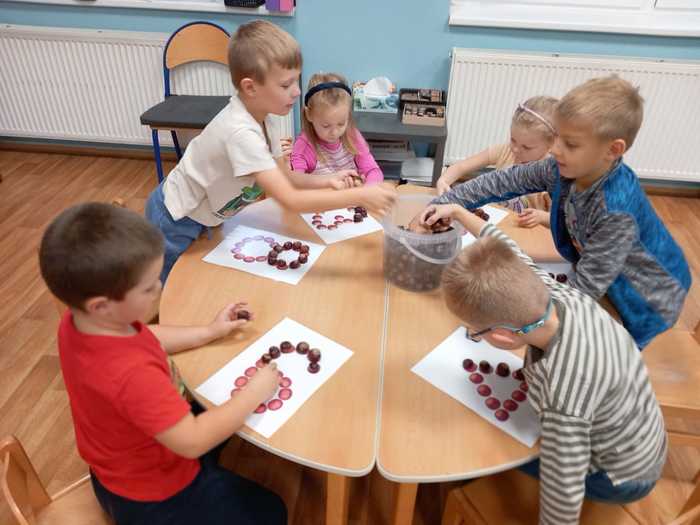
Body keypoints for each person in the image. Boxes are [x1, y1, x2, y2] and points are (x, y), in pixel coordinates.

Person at [39, 202, 287, 525]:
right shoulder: (132, 375)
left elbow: (148, 336)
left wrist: (209, 331)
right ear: (101, 306)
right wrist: (254, 394)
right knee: (272, 511)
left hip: (117, 468)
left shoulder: (80, 322)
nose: (159, 288)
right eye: (148, 287)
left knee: (218, 408)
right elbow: (193, 441)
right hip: (154, 497)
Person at [427, 202, 666, 525]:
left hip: (619, 475)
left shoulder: (563, 397)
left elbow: (563, 492)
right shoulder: (548, 289)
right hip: (637, 429)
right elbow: (504, 246)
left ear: (502, 337)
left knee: (479, 445)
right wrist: (457, 212)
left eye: (475, 332)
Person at [422, 75, 691, 348]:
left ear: (613, 150)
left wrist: (528, 328)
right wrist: (443, 203)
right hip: (602, 271)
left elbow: (583, 292)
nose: (555, 149)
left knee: (610, 349)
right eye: (557, 138)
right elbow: (503, 181)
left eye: (570, 144)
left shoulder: (615, 213)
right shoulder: (561, 167)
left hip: (648, 297)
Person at [146, 20, 396, 282]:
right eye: (286, 85)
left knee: (196, 278)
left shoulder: (266, 119)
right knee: (166, 285)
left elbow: (287, 177)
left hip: (207, 214)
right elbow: (290, 199)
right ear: (250, 87)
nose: (297, 92)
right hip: (175, 217)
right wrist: (360, 194)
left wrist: (327, 181)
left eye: (296, 81)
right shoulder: (241, 133)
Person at [436, 95, 557, 225]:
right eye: (513, 140)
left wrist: (542, 217)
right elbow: (461, 167)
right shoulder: (505, 150)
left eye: (526, 147)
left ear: (551, 146)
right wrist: (444, 180)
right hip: (493, 225)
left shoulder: (551, 173)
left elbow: (561, 222)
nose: (515, 149)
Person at [289, 72, 384, 185]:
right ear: (309, 114)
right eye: (326, 125)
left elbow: (373, 171)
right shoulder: (304, 146)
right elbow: (297, 183)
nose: (334, 132)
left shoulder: (352, 135)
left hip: (354, 194)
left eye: (341, 124)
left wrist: (368, 189)